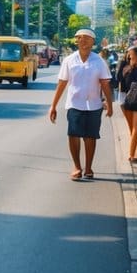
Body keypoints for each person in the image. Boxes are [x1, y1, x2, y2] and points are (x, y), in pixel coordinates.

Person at [49, 29, 113, 180]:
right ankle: (77, 166)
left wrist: (109, 104)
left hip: (94, 104)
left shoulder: (99, 62)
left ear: (93, 42)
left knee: (90, 137)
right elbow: (62, 83)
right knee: (73, 134)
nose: (83, 41)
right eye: (80, 38)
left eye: (87, 38)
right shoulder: (69, 60)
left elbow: (105, 84)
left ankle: (89, 167)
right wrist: (53, 106)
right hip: (74, 104)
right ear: (76, 41)